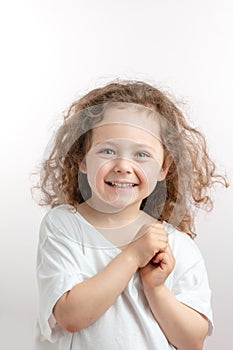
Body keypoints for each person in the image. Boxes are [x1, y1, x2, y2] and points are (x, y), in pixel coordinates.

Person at [34, 80, 228, 350]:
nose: (124, 166)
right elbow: (70, 316)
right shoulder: (64, 226)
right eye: (108, 150)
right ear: (82, 159)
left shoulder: (177, 247)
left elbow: (192, 342)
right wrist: (133, 256)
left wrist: (156, 288)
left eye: (141, 154)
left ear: (163, 167)